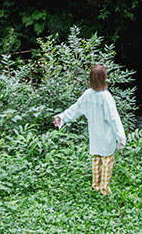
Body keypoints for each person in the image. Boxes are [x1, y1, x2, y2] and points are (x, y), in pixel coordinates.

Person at [53, 64, 126, 196]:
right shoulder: (106, 97)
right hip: (106, 135)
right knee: (107, 161)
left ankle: (96, 186)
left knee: (96, 160)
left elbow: (76, 109)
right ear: (105, 78)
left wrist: (62, 117)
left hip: (94, 135)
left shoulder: (88, 94)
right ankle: (104, 190)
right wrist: (120, 135)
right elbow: (114, 118)